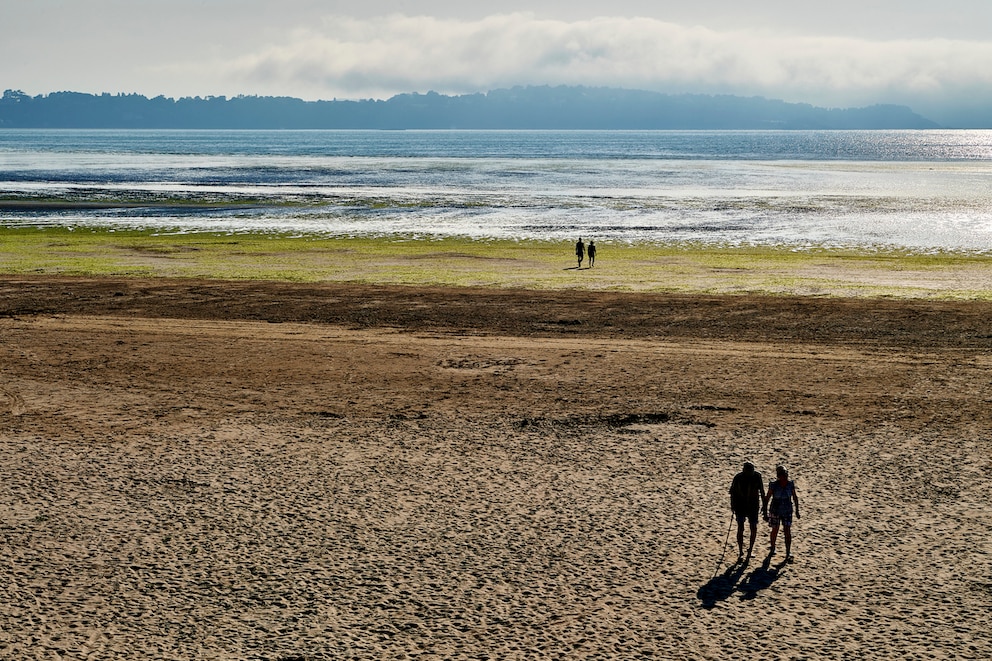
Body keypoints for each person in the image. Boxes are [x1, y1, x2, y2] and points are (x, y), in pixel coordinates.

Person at [729, 461, 767, 560]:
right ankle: (741, 551)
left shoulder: (757, 476)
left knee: (753, 528)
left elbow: (762, 491)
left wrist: (764, 505)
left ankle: (750, 550)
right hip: (740, 506)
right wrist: (733, 505)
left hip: (753, 506)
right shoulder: (738, 477)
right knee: (740, 528)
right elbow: (732, 492)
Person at [765, 465, 801, 562]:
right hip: (775, 510)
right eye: (782, 475)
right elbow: (767, 497)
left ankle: (788, 551)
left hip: (787, 510)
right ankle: (772, 548)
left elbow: (795, 497)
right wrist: (764, 510)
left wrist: (797, 510)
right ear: (778, 476)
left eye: (786, 475)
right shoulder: (774, 485)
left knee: (787, 531)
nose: (785, 477)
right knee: (775, 530)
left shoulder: (790, 484)